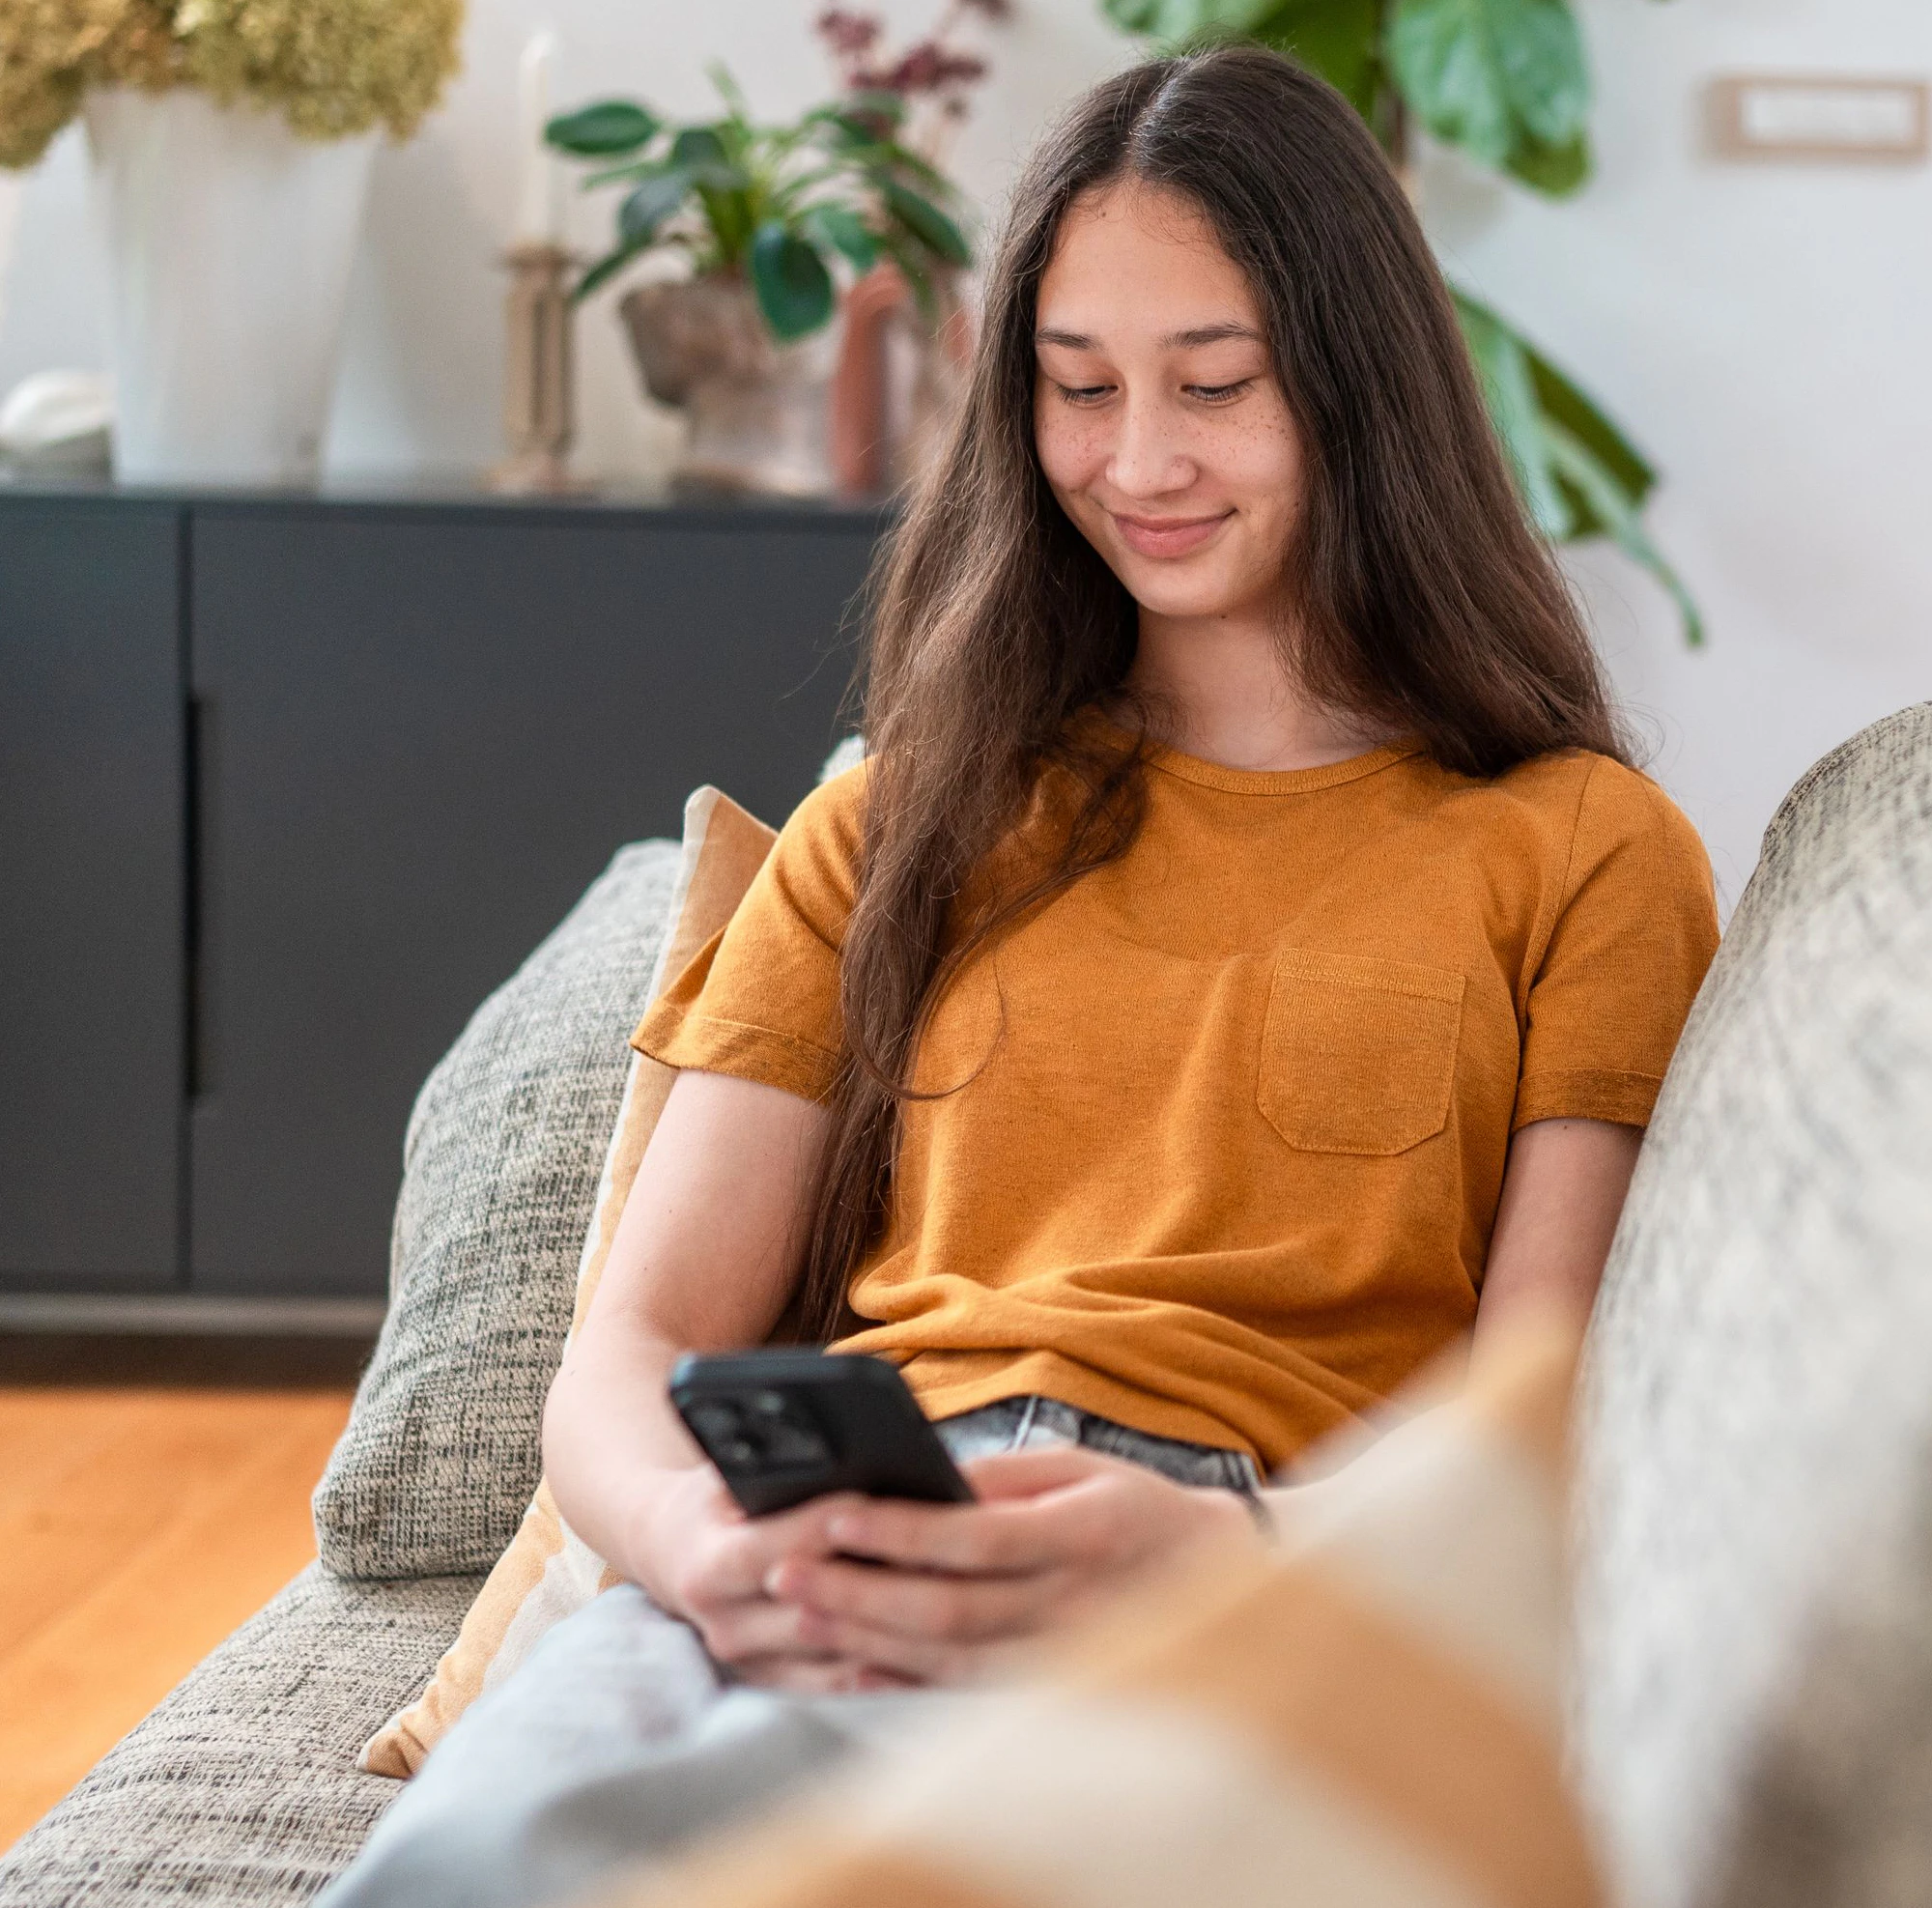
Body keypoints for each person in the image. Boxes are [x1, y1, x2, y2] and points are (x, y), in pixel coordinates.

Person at [322, 44, 1716, 1904]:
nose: (1136, 461)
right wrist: (696, 1539)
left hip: (1234, 1587)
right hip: (824, 1543)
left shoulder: (1582, 849)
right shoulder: (901, 824)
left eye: (1214, 386)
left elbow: (1539, 1436)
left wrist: (1218, 1547)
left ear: (1362, 393)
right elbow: (630, 1352)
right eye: (1078, 388)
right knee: (470, 1866)